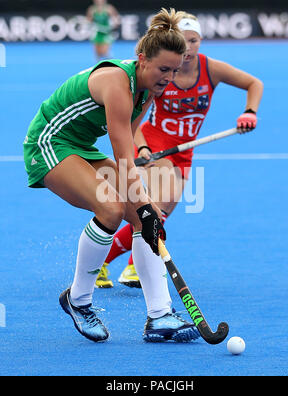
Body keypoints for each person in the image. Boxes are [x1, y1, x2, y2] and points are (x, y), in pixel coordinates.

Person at [23, 8, 201, 344]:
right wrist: (146, 202)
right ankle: (79, 301)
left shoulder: (149, 89)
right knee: (110, 208)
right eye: (163, 68)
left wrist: (148, 211)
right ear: (141, 58)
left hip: (82, 146)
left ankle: (160, 315)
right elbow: (122, 156)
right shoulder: (117, 82)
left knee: (145, 218)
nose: (168, 77)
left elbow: (130, 146)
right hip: (49, 142)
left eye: (174, 71)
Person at [96, 11, 264, 289]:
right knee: (154, 212)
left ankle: (108, 263)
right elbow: (133, 122)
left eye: (195, 40)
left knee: (156, 215)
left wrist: (249, 112)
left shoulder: (211, 69)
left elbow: (253, 84)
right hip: (155, 146)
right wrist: (144, 146)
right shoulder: (162, 73)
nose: (189, 48)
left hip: (184, 152)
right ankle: (132, 267)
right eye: (184, 42)